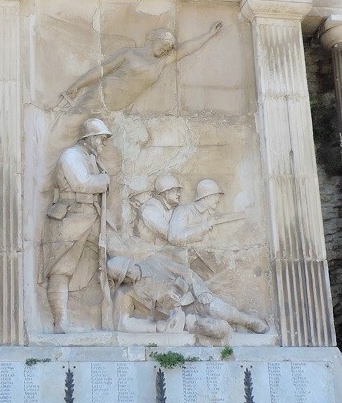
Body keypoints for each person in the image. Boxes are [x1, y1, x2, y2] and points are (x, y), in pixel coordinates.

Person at [44, 118, 112, 333]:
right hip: (72, 216)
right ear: (89, 138)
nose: (103, 143)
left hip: (90, 216)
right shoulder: (72, 156)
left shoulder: (90, 157)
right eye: (101, 139)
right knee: (61, 269)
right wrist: (104, 181)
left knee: (111, 258)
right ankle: (60, 322)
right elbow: (81, 183)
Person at [61, 22, 223, 111]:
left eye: (169, 48)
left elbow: (185, 49)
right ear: (154, 39)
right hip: (104, 93)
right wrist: (78, 85)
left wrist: (209, 35)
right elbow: (103, 70)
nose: (166, 49)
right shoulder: (130, 53)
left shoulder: (160, 62)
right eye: (164, 44)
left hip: (120, 105)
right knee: (73, 122)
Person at [107, 255, 269, 338]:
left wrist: (202, 291)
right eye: (124, 278)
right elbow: (124, 323)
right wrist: (156, 327)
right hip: (177, 319)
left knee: (224, 310)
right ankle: (229, 328)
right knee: (218, 329)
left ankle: (247, 321)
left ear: (131, 263)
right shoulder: (126, 293)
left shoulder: (155, 262)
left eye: (128, 272)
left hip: (191, 299)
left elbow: (185, 271)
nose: (129, 277)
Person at [137, 174, 183, 245]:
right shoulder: (149, 209)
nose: (179, 194)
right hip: (150, 251)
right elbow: (169, 234)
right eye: (176, 190)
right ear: (166, 192)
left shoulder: (173, 208)